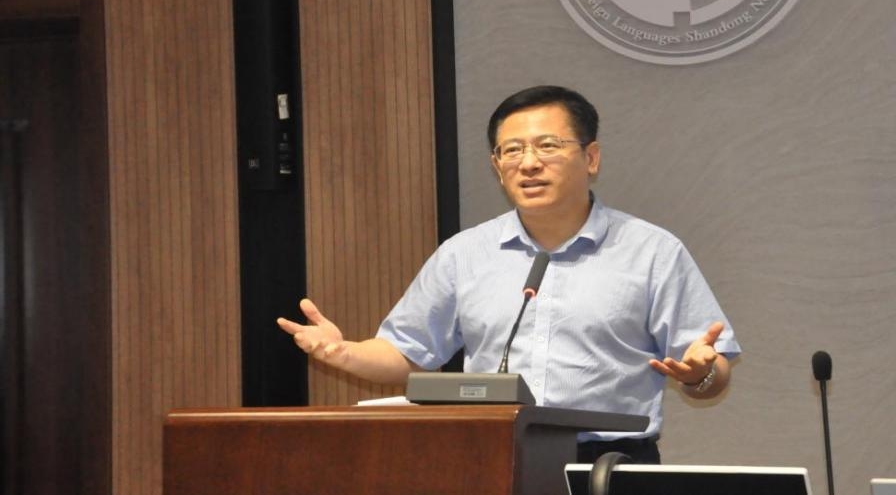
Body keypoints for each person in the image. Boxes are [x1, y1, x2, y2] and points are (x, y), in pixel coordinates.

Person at [277, 85, 740, 464]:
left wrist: (701, 374)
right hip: (491, 460)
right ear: (498, 167)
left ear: (591, 158)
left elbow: (711, 371)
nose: (529, 163)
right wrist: (345, 352)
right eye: (512, 150)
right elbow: (406, 353)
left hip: (607, 466)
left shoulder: (651, 251)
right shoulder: (465, 254)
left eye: (548, 146)